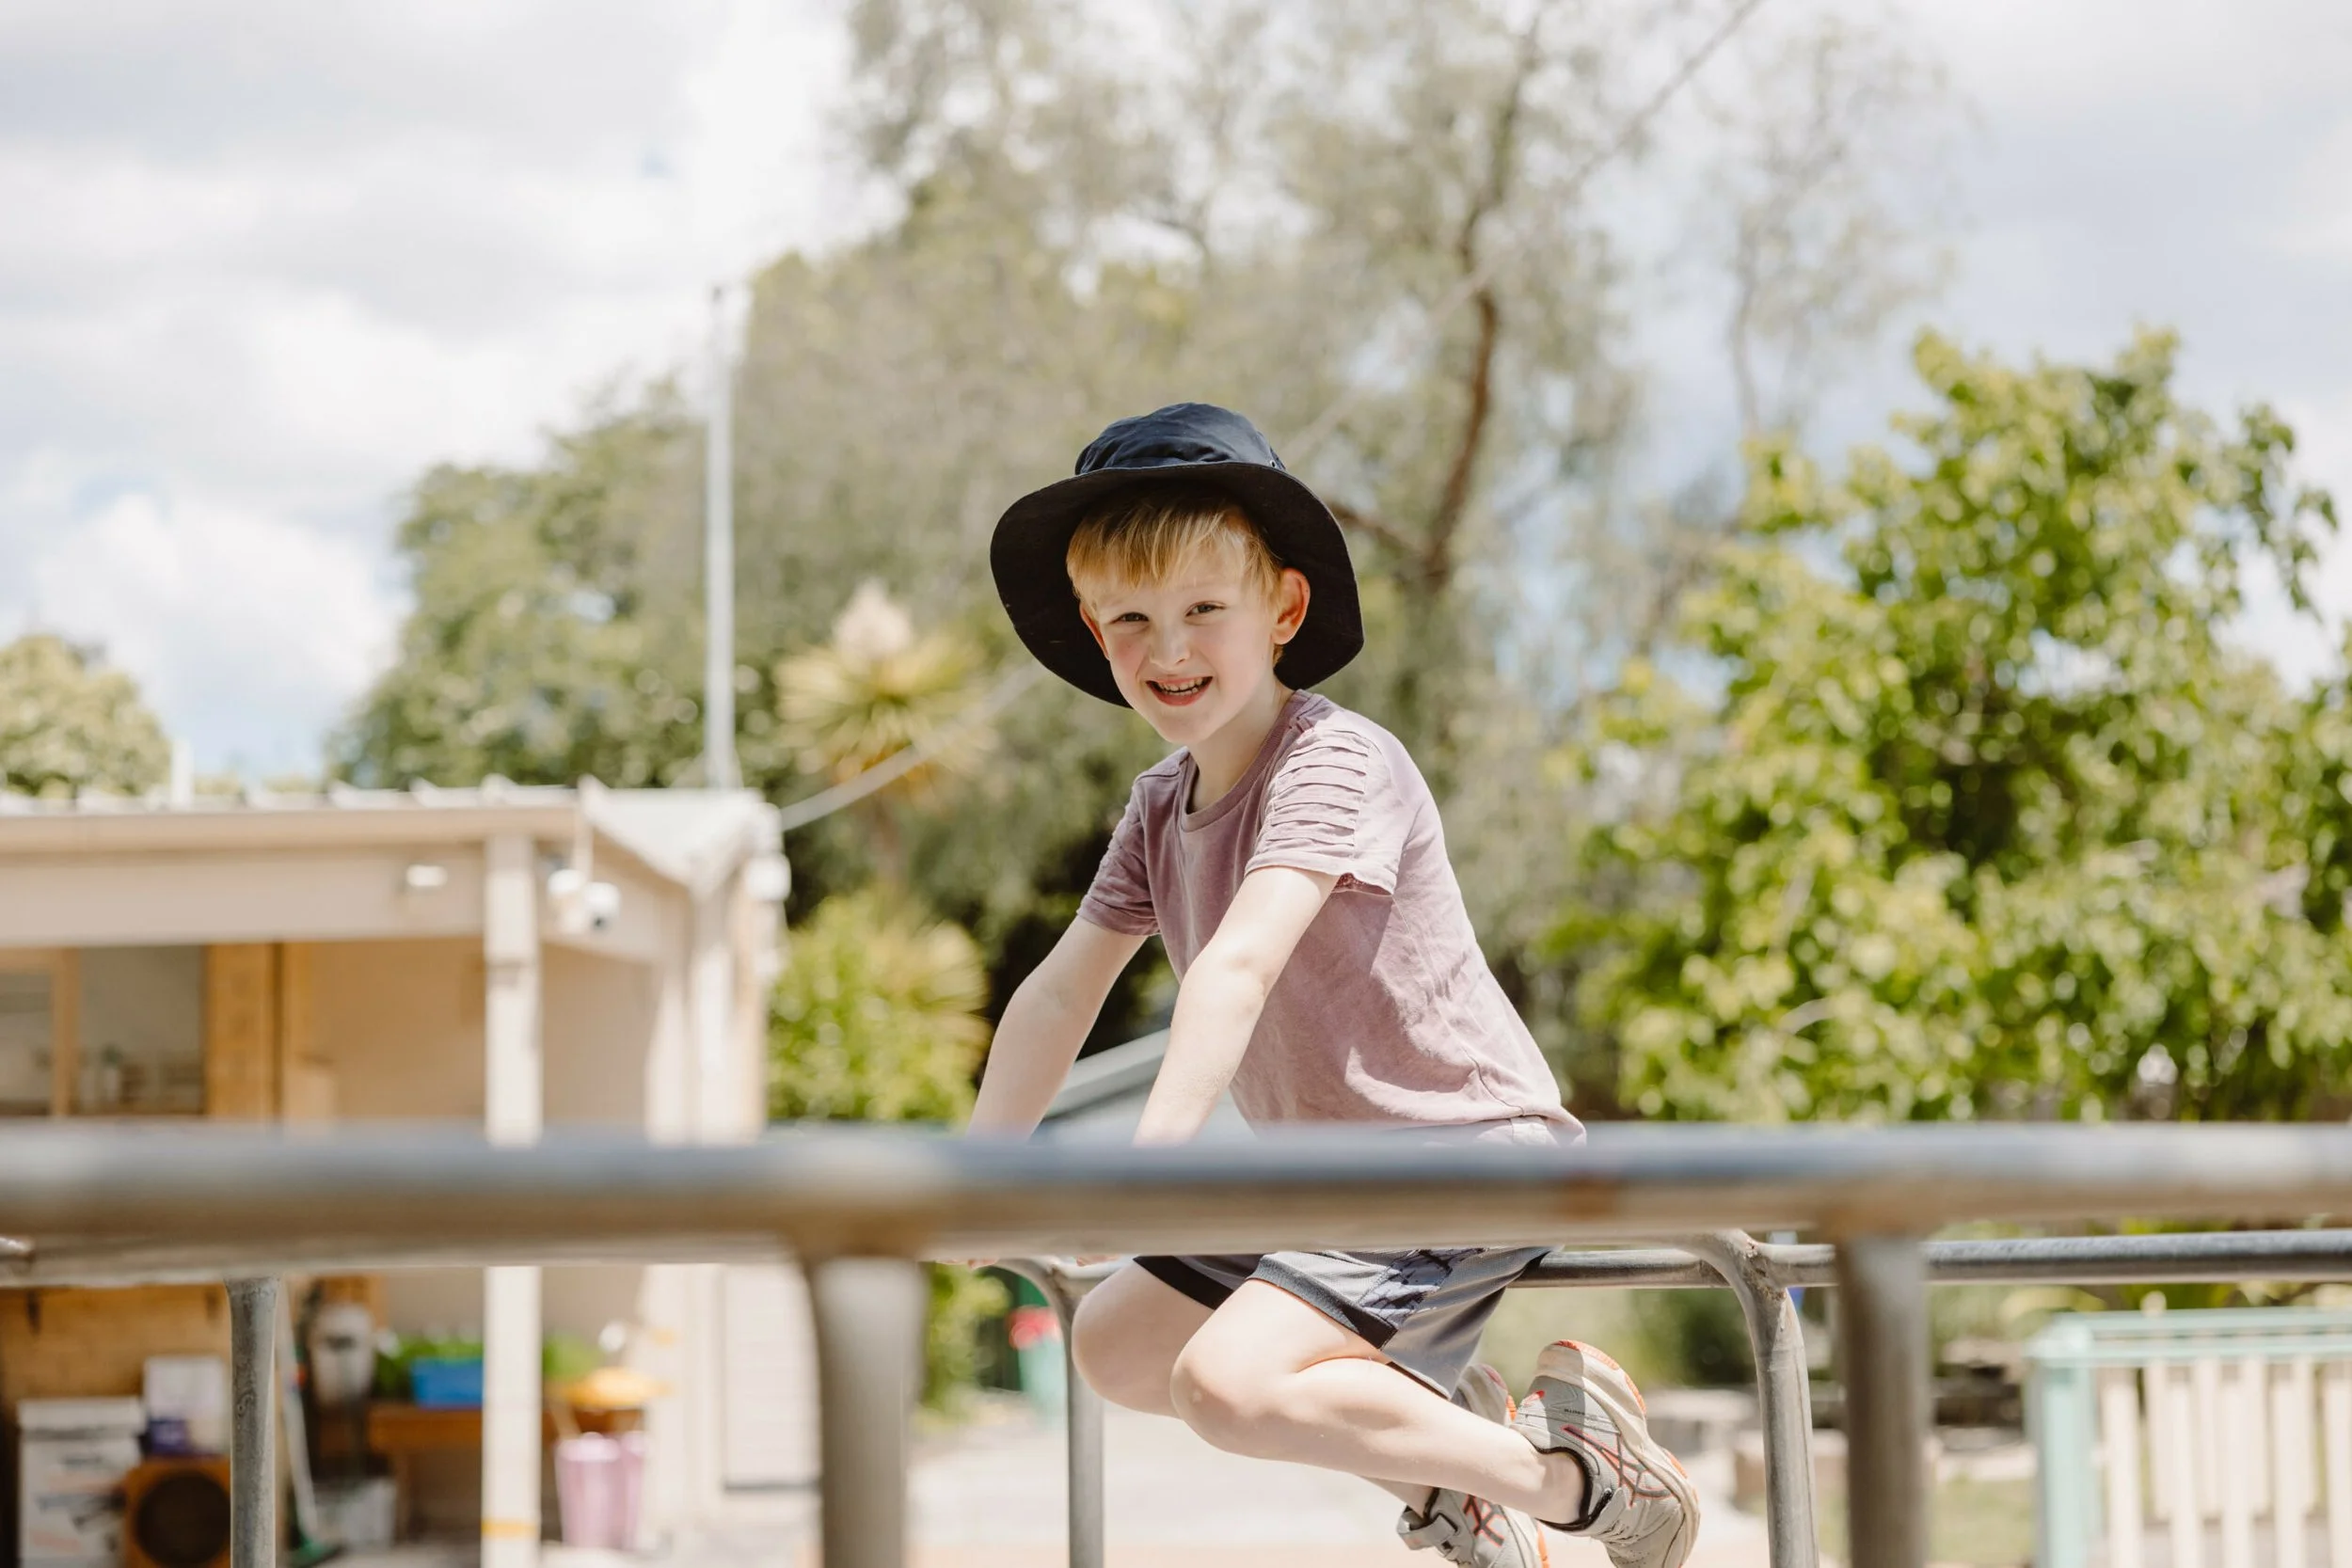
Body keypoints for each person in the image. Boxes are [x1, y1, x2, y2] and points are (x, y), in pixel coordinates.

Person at [968, 403, 1697, 1568]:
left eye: (1205, 609)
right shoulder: (1161, 803)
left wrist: (1146, 1172)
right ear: (1093, 634)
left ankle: (1574, 1480)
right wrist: (980, 1173)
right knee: (1112, 1346)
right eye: (1131, 620)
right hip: (1325, 1172)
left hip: (1454, 1147)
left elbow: (1241, 960)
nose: (1169, 650)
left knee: (1226, 1382)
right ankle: (1453, 1465)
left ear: (1283, 610)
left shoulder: (1334, 757)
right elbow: (1061, 990)